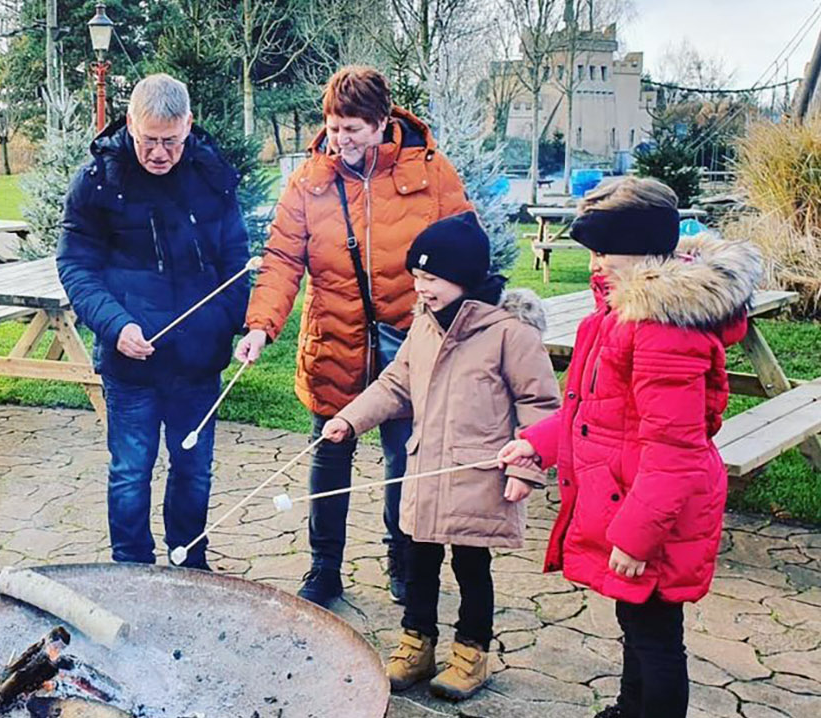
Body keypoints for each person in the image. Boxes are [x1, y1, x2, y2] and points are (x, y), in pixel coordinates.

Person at [499, 177, 763, 718]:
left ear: (646, 250)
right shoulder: (615, 315)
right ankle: (628, 707)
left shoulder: (663, 329)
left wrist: (637, 538)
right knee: (634, 620)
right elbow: (591, 412)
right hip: (631, 499)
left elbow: (676, 451)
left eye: (604, 252)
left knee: (657, 638)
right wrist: (536, 444)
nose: (595, 263)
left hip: (657, 515)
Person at [239, 65, 474, 606]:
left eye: (353, 130)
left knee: (403, 458)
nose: (341, 140)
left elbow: (466, 249)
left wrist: (457, 320)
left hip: (408, 346)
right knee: (330, 452)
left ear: (382, 121)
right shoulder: (309, 182)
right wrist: (260, 325)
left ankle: (402, 555)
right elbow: (280, 261)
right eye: (334, 127)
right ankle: (324, 566)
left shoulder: (431, 173)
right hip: (333, 340)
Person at [322, 212, 560, 700]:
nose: (420, 288)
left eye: (430, 279)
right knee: (417, 560)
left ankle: (471, 654)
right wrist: (351, 418)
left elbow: (539, 405)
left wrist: (525, 466)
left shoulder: (510, 334)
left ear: (464, 278)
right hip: (426, 470)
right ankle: (416, 644)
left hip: (478, 475)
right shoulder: (425, 326)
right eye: (417, 277)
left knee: (472, 566)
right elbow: (395, 383)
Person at [57, 73, 251, 570]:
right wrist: (115, 325)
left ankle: (190, 561)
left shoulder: (210, 174)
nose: (160, 153)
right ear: (130, 123)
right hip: (130, 363)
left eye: (171, 141)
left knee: (193, 470)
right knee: (130, 471)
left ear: (188, 125)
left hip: (197, 361)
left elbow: (235, 259)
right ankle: (131, 567)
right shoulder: (98, 181)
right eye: (149, 140)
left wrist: (233, 324)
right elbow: (76, 266)